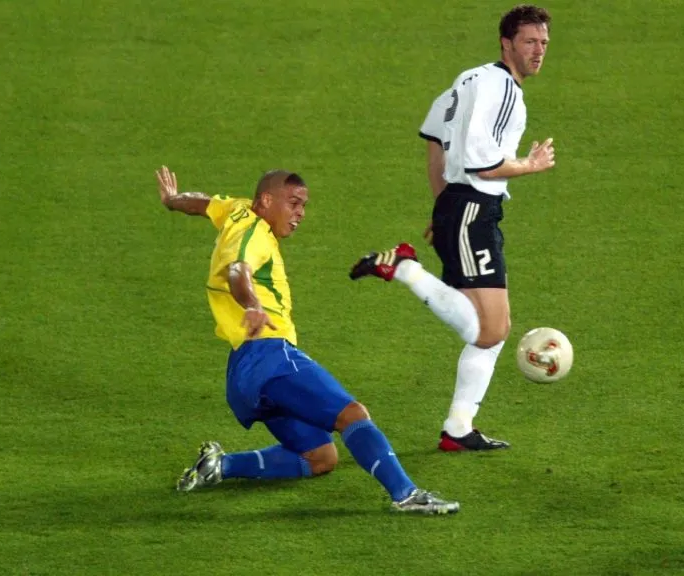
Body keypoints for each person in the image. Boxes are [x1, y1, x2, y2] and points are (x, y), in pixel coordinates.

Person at [155, 166, 459, 515]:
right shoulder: (253, 235)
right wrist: (253, 305)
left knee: (320, 457)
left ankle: (219, 466)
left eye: (303, 206)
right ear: (266, 201)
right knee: (352, 414)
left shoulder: (238, 210)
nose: (300, 213)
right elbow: (238, 271)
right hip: (269, 354)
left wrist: (172, 200)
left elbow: (205, 204)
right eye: (293, 203)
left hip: (241, 374)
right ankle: (406, 495)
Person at [349, 4, 555, 452]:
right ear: (506, 44)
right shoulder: (503, 89)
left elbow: (435, 140)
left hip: (459, 210)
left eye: (543, 43)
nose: (538, 51)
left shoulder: (468, 80)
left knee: (491, 332)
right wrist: (530, 165)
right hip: (475, 211)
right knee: (491, 331)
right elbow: (484, 164)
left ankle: (459, 428)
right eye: (529, 42)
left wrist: (442, 204)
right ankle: (405, 269)